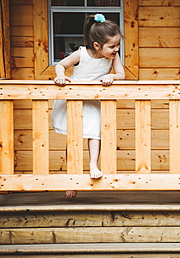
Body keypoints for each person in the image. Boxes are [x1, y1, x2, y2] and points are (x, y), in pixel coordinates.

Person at [52, 14, 125, 198]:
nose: (116, 49)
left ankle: (93, 164)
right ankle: (72, 178)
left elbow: (121, 75)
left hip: (93, 100)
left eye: (118, 45)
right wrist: (61, 76)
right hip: (74, 99)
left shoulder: (112, 58)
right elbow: (61, 64)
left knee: (94, 133)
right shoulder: (82, 53)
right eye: (112, 46)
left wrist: (112, 76)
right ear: (97, 46)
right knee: (73, 139)